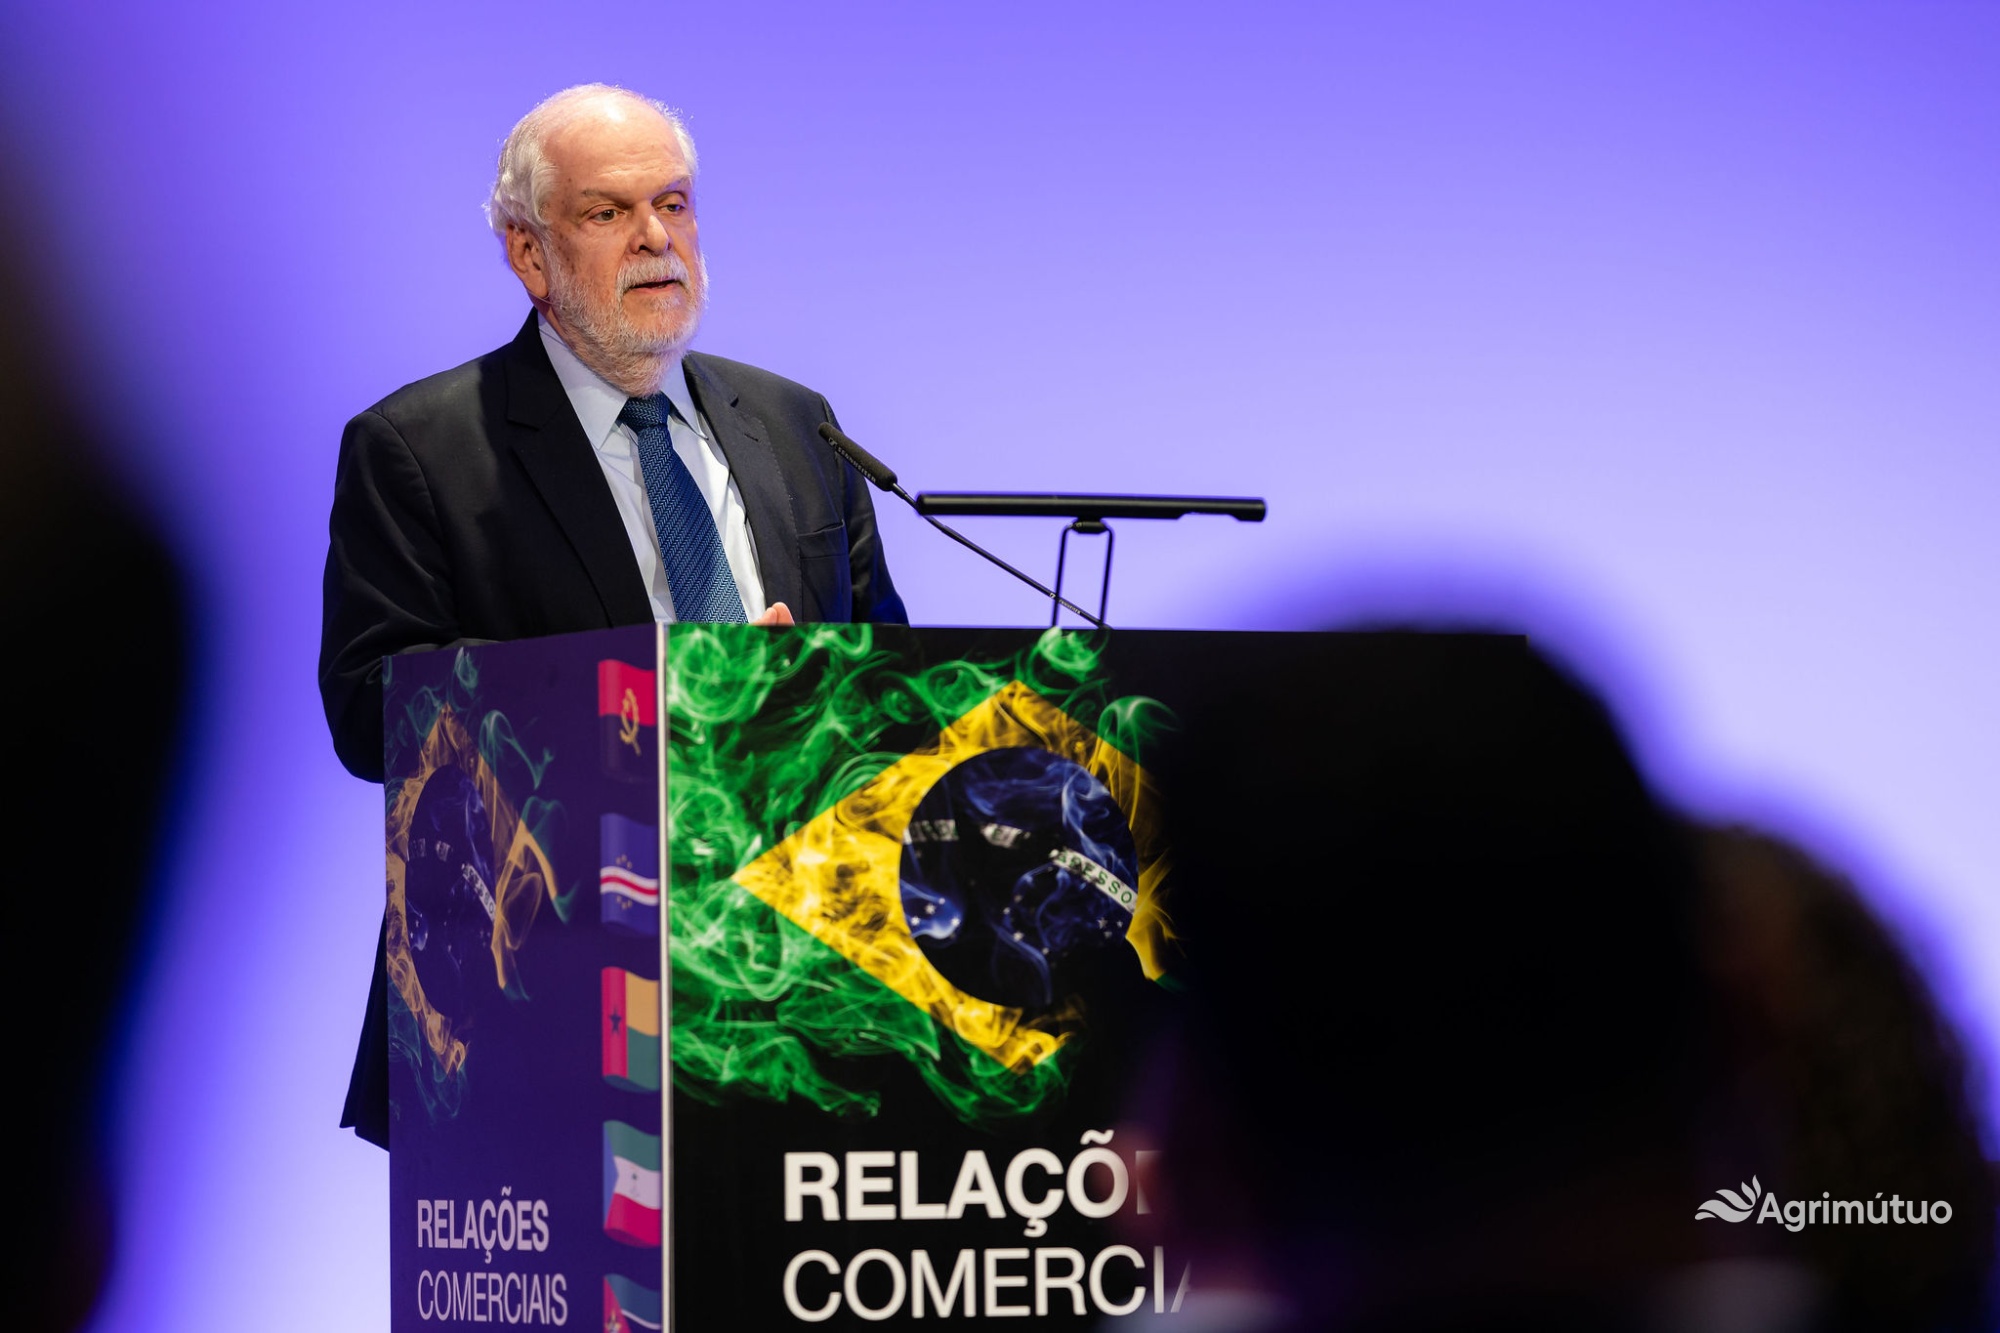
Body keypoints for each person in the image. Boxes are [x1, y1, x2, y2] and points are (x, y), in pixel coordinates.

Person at [319, 84, 908, 1146]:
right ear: (529, 254)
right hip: (543, 989)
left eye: (673, 205)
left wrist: (808, 689)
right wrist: (656, 689)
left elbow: (888, 677)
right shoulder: (419, 449)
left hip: (798, 988)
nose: (655, 238)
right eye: (607, 213)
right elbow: (374, 709)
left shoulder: (795, 424)